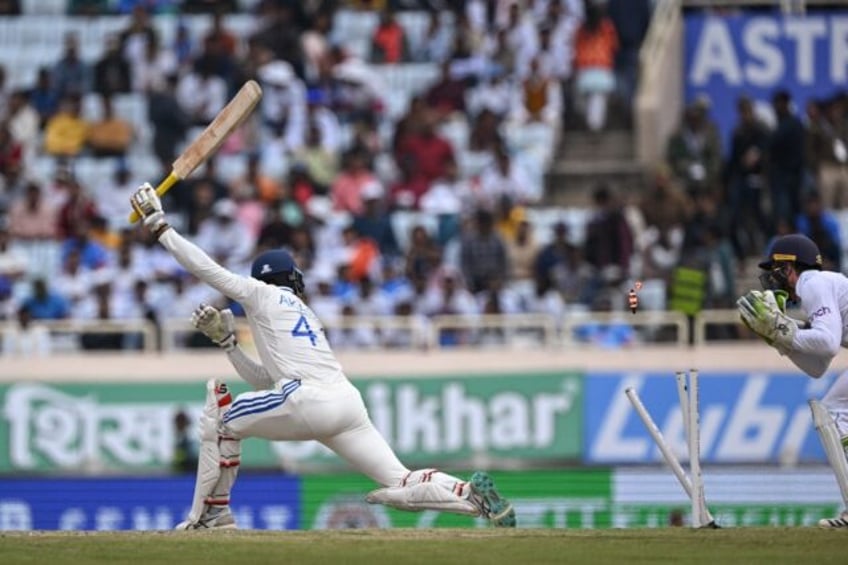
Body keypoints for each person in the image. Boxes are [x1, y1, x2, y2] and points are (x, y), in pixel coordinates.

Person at [128, 183, 515, 530]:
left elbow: (209, 271)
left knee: (221, 421)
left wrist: (161, 227)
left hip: (308, 399)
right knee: (399, 479)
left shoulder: (263, 293)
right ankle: (470, 495)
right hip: (344, 404)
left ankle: (212, 515)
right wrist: (229, 343)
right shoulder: (304, 315)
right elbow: (271, 385)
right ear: (289, 278)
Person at [737, 233, 848, 528]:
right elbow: (818, 367)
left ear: (790, 268)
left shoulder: (812, 283)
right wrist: (778, 338)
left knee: (834, 412)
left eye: (775, 272)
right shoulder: (821, 288)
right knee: (834, 412)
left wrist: (783, 330)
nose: (772, 281)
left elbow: (827, 344)